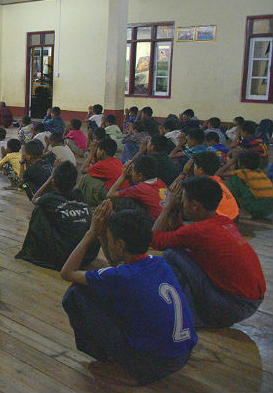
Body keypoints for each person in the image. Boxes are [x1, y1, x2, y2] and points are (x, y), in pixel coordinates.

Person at [61, 203, 197, 385]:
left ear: (120, 244)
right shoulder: (159, 262)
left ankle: (132, 371)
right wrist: (104, 235)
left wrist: (91, 234)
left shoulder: (122, 276)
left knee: (76, 292)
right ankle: (139, 365)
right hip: (182, 355)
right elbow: (118, 265)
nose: (107, 243)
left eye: (109, 240)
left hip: (154, 363)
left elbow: (67, 273)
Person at [152, 176, 266, 327]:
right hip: (250, 302)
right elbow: (185, 234)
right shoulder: (223, 222)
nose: (181, 203)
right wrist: (176, 213)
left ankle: (190, 317)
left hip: (234, 306)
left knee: (171, 254)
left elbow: (155, 240)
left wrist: (167, 207)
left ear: (195, 206)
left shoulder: (200, 231)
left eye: (184, 200)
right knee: (181, 252)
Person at [17, 161, 96, 270]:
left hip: (65, 257)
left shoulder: (49, 199)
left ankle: (34, 251)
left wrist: (51, 177)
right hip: (87, 255)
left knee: (39, 210)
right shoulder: (79, 194)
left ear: (54, 182)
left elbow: (34, 199)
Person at [107, 155, 167, 220]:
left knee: (125, 203)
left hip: (158, 227)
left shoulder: (140, 189)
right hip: (169, 222)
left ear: (140, 176)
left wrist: (123, 175)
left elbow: (110, 194)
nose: (131, 174)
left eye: (132, 172)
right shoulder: (160, 182)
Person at [218, 150, 273, 219]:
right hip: (270, 208)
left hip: (258, 209)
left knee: (233, 180)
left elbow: (219, 173)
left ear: (242, 165)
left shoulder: (242, 172)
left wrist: (233, 160)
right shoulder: (260, 173)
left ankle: (242, 211)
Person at [186, 151, 239, 220]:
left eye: (194, 166)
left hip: (222, 219)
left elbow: (174, 193)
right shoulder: (216, 180)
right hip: (233, 216)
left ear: (200, 170)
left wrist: (184, 173)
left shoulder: (201, 184)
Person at [78, 138, 122, 207]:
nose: (96, 151)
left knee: (88, 178)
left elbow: (83, 170)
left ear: (102, 152)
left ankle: (84, 203)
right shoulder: (116, 160)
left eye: (97, 150)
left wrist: (91, 153)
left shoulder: (101, 165)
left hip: (115, 200)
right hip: (121, 195)